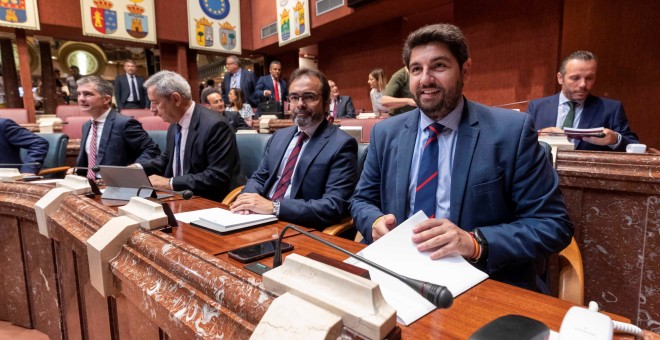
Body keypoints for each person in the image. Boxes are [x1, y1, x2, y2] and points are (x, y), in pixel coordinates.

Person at [350, 24, 573, 292]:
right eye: (416, 69)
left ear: (465, 69)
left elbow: (553, 224)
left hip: (478, 280)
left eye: (439, 66)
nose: (425, 79)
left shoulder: (511, 132)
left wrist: (474, 242)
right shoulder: (386, 133)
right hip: (396, 273)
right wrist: (374, 222)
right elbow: (362, 200)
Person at [230, 68, 358, 229]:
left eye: (309, 97)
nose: (300, 104)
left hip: (299, 227)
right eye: (294, 97)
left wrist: (275, 207)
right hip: (258, 219)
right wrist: (246, 200)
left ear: (326, 103)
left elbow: (332, 206)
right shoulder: (279, 136)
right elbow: (259, 178)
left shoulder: (342, 144)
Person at [139, 70, 244, 202]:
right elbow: (167, 158)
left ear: (176, 99)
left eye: (155, 103)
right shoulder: (174, 124)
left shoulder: (216, 125)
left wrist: (169, 183)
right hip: (179, 196)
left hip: (209, 200)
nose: (152, 109)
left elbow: (217, 176)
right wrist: (136, 169)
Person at [527, 51, 639, 151]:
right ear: (560, 78)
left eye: (589, 78)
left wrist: (615, 139)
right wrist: (540, 134)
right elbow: (520, 143)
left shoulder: (611, 109)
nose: (583, 85)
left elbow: (635, 146)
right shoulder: (537, 107)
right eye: (575, 78)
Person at [74, 76, 160, 179]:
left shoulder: (125, 123)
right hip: (89, 183)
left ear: (106, 99)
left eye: (87, 94)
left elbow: (151, 149)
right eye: (79, 94)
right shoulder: (87, 125)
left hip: (117, 184)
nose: (81, 99)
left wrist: (134, 169)